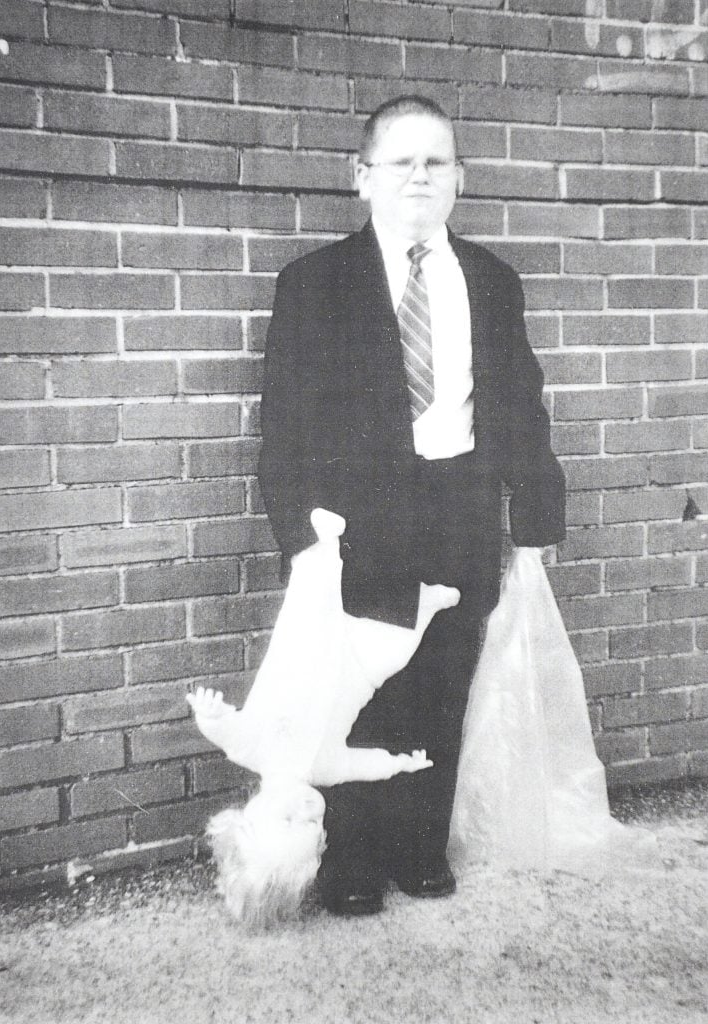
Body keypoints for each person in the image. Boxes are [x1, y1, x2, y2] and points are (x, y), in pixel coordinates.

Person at [257, 95, 566, 917]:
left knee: (441, 677)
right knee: (360, 688)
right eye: (401, 162)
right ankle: (352, 857)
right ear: (362, 179)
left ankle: (419, 843)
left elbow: (521, 403)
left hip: (459, 506)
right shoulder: (316, 284)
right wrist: (299, 536)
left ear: (460, 178)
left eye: (437, 162)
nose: (420, 177)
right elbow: (282, 421)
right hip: (358, 521)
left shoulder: (493, 283)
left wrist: (533, 519)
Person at [187, 507, 460, 927]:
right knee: (398, 650)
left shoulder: (253, 751)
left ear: (253, 812)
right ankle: (424, 604)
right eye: (313, 826)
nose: (307, 809)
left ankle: (321, 543)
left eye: (288, 818)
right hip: (356, 667)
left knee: (312, 594)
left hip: (308, 644)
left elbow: (227, 730)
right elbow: (360, 766)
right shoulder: (324, 770)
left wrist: (211, 714)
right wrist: (400, 763)